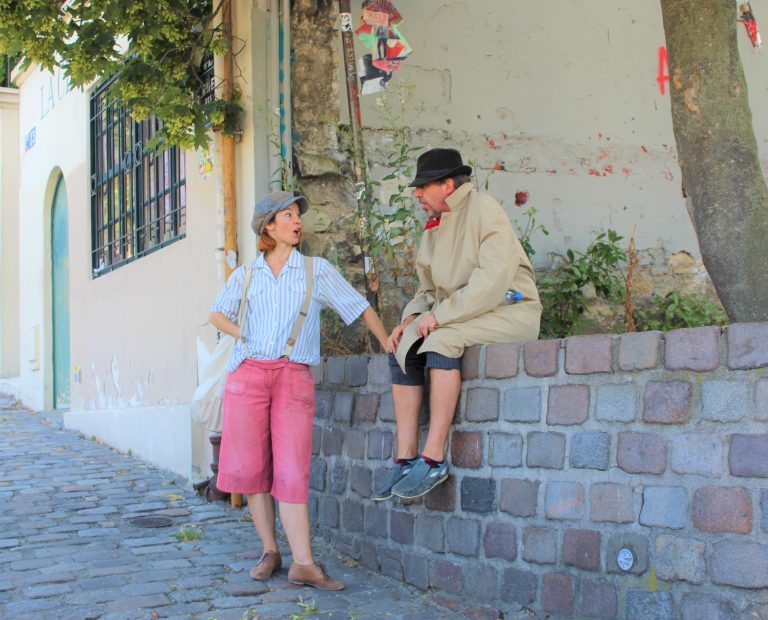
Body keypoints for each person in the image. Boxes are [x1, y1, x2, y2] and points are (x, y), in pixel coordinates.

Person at [209, 191, 388, 590]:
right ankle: (270, 550)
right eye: (287, 215)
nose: (296, 221)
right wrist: (242, 332)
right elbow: (216, 312)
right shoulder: (246, 274)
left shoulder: (315, 270)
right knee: (253, 470)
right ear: (269, 227)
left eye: (297, 215)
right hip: (248, 375)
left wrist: (386, 341)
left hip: (293, 375)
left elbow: (356, 305)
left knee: (291, 469)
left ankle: (303, 563)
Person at [374, 148, 542, 501]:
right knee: (403, 346)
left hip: (509, 309)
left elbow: (491, 282)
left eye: (423, 186)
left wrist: (440, 317)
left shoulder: (484, 210)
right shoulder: (435, 227)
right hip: (465, 312)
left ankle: (433, 458)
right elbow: (428, 290)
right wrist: (408, 320)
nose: (417, 194)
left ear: (447, 185)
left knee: (441, 340)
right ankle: (405, 460)